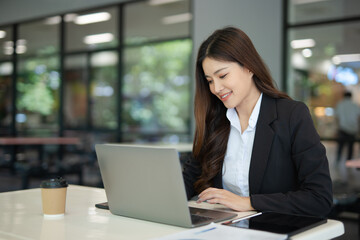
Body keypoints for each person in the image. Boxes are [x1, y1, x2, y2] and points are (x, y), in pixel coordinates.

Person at [182, 27, 333, 217]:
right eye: (210, 81)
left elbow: (319, 198)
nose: (216, 88)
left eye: (222, 76)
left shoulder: (292, 115)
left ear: (248, 67)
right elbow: (188, 180)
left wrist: (249, 203)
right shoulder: (216, 122)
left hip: (273, 230)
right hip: (224, 231)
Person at [335, 91, 360, 163]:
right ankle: (348, 162)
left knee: (340, 146)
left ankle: (338, 161)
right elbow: (358, 118)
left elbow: (337, 118)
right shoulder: (355, 105)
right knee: (350, 147)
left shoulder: (340, 104)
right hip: (353, 129)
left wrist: (336, 128)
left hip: (342, 128)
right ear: (351, 96)